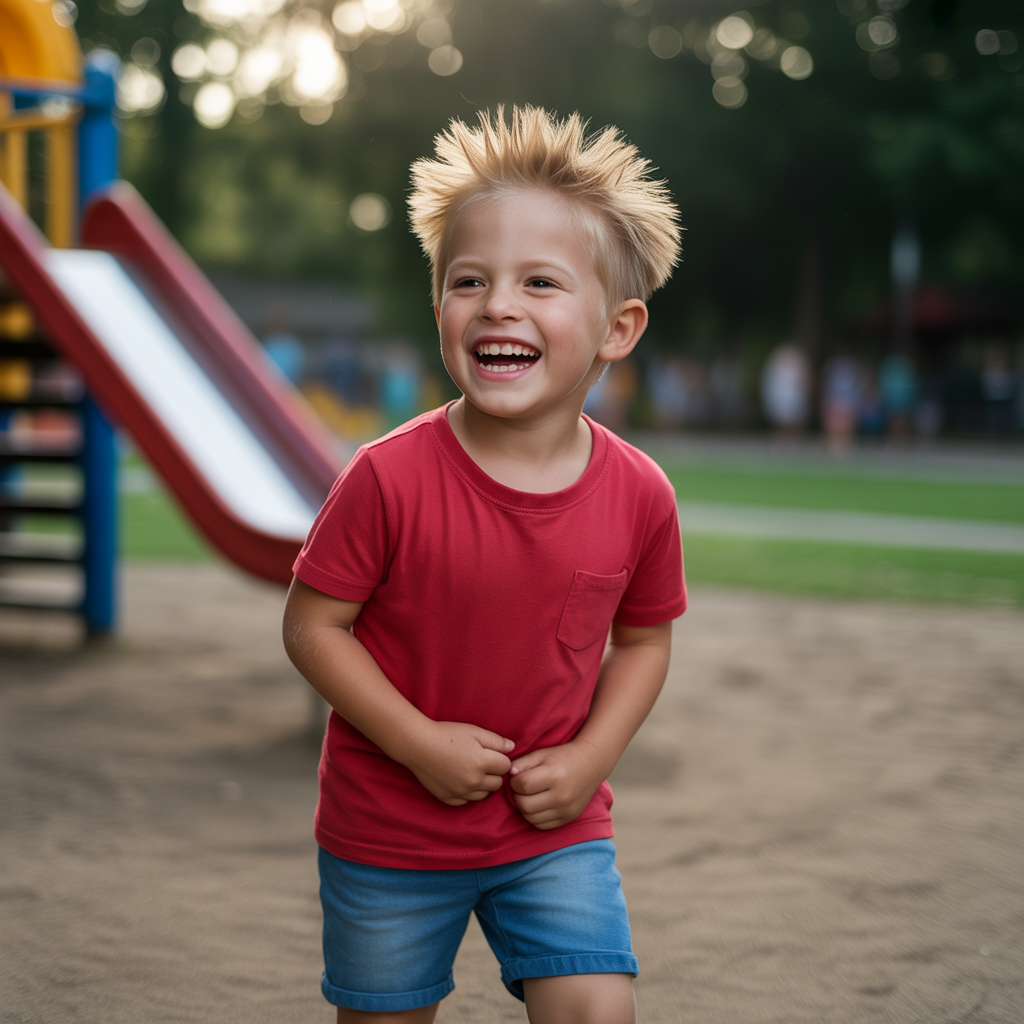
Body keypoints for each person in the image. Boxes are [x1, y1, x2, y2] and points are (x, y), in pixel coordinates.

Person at [282, 105, 686, 1024]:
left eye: (540, 282)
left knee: (597, 1008)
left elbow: (646, 643)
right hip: (389, 831)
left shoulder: (639, 494)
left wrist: (592, 757)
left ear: (618, 328)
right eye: (470, 280)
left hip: (554, 830)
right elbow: (311, 626)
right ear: (440, 312)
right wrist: (418, 742)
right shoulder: (387, 477)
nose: (498, 303)